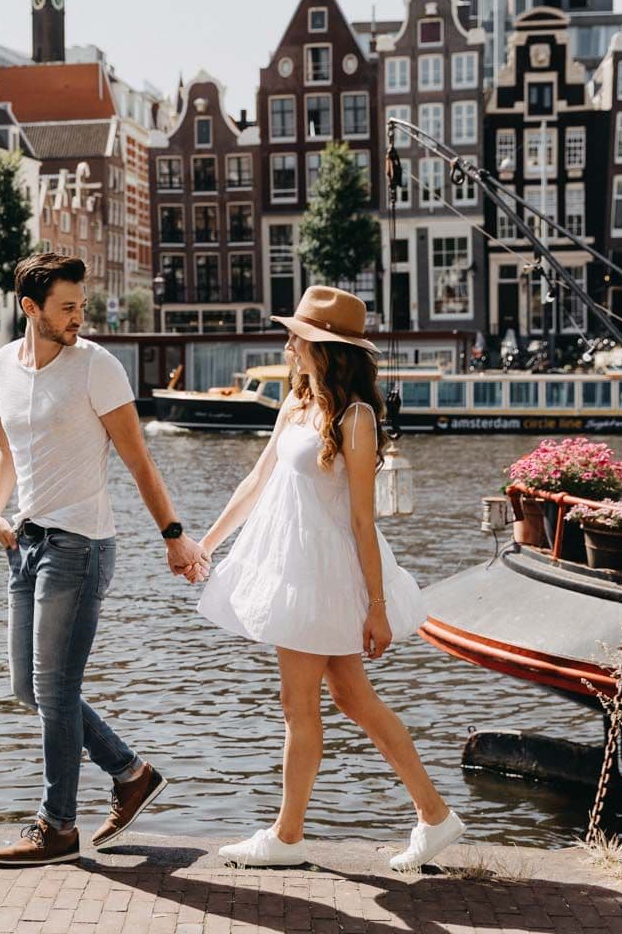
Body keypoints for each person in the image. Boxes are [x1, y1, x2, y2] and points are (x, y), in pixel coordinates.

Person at [195, 286, 464, 870]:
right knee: (351, 697)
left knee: (301, 705)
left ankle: (287, 836)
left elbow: (363, 520)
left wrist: (377, 606)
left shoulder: (356, 417)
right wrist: (206, 546)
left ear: (324, 348)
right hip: (298, 568)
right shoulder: (296, 404)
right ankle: (435, 815)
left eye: (298, 337)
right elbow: (257, 482)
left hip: (327, 575)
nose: (289, 344)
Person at [0, 252, 208, 867]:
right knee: (28, 688)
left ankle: (58, 826)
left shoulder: (96, 367)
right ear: (30, 308)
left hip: (79, 545)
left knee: (56, 689)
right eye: (66, 308)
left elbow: (139, 460)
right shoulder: (1, 366)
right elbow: (6, 449)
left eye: (81, 306)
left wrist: (173, 536)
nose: (78, 317)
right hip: (25, 543)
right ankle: (131, 774)